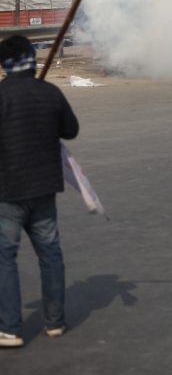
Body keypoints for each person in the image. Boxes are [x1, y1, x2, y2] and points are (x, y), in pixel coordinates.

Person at [0, 36, 78, 347]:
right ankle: (55, 322)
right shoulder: (50, 93)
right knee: (50, 254)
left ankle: (10, 328)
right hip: (44, 189)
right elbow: (70, 130)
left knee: (5, 258)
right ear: (33, 60)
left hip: (7, 191)